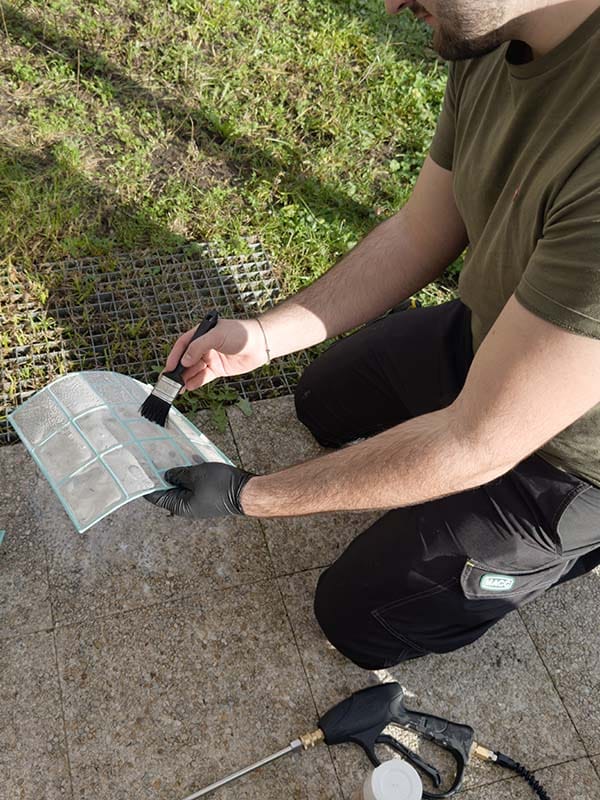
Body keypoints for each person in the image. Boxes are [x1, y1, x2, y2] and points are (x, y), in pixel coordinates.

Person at [147, 0, 600, 670]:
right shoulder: (493, 34)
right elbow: (420, 229)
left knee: (356, 618)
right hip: (494, 335)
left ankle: (574, 550)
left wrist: (250, 495)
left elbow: (476, 440)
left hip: (575, 462)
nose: (390, 4)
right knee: (322, 400)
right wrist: (265, 337)